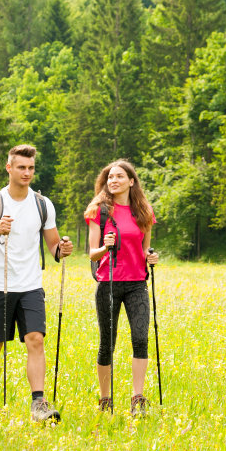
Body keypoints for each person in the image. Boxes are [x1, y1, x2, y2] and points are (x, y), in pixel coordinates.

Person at [0, 144, 74, 422]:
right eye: (21, 167)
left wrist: (63, 248)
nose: (27, 173)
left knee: (35, 340)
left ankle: (39, 404)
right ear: (9, 168)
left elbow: (54, 248)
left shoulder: (42, 204)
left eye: (31, 168)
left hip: (30, 286)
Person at [84, 159, 159, 415]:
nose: (113, 181)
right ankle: (106, 401)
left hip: (137, 283)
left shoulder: (144, 211)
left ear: (131, 181)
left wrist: (151, 257)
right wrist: (105, 246)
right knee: (108, 343)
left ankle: (137, 399)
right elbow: (92, 254)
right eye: (109, 177)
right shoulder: (98, 210)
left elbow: (144, 248)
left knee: (140, 339)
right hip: (109, 283)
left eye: (118, 176)